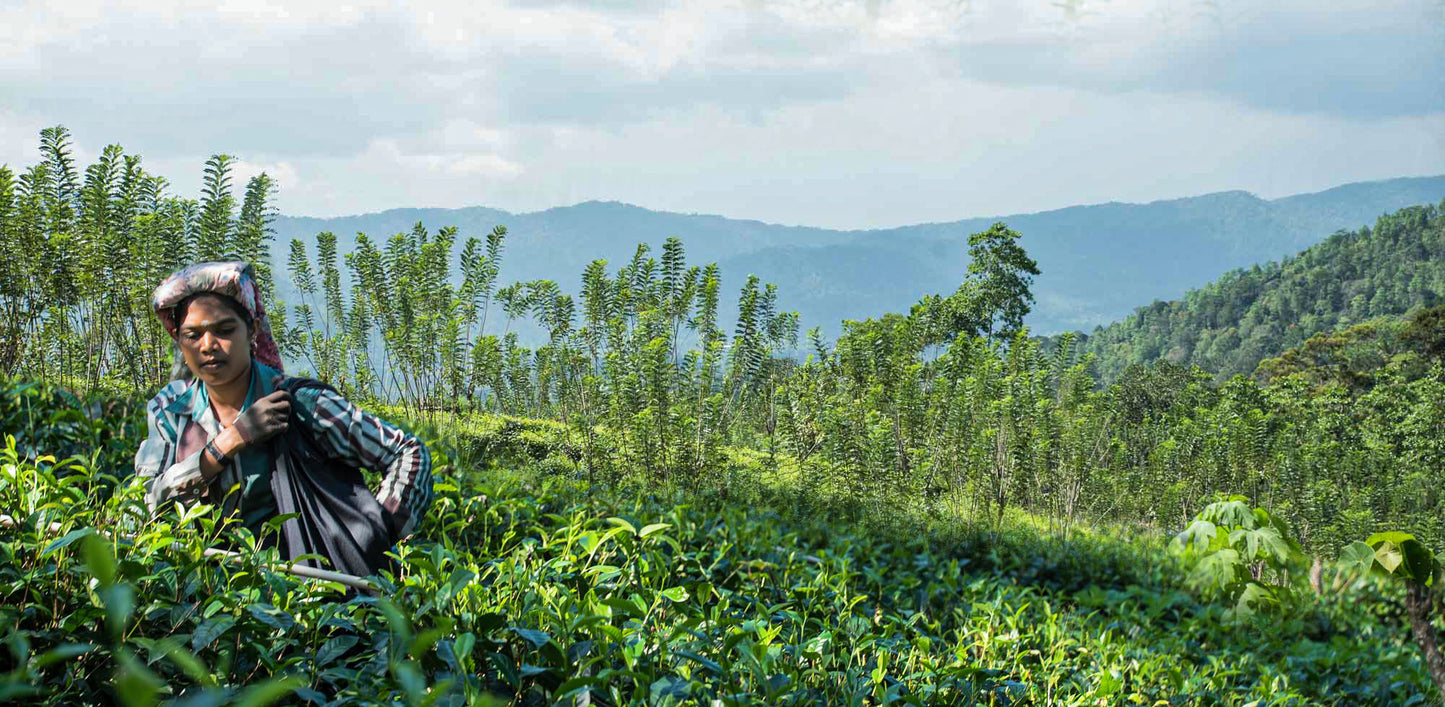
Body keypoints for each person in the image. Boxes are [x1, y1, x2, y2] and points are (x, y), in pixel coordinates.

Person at [134, 261, 432, 576]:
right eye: (193, 335)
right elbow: (142, 506)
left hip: (305, 596)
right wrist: (228, 442)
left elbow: (409, 452)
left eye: (224, 330)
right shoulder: (170, 410)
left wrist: (376, 535)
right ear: (180, 341)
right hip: (196, 592)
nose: (208, 346)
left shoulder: (299, 403)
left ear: (251, 330)